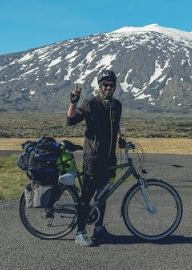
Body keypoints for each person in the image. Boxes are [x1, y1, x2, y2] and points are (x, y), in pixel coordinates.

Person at [67, 70, 124, 247]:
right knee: (87, 195)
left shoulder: (117, 105)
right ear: (100, 86)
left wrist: (122, 138)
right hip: (93, 156)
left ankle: (99, 228)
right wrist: (73, 102)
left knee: (103, 194)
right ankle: (80, 232)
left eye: (111, 85)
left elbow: (115, 125)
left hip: (109, 157)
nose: (108, 88)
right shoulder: (90, 103)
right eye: (105, 85)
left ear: (115, 87)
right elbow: (71, 121)